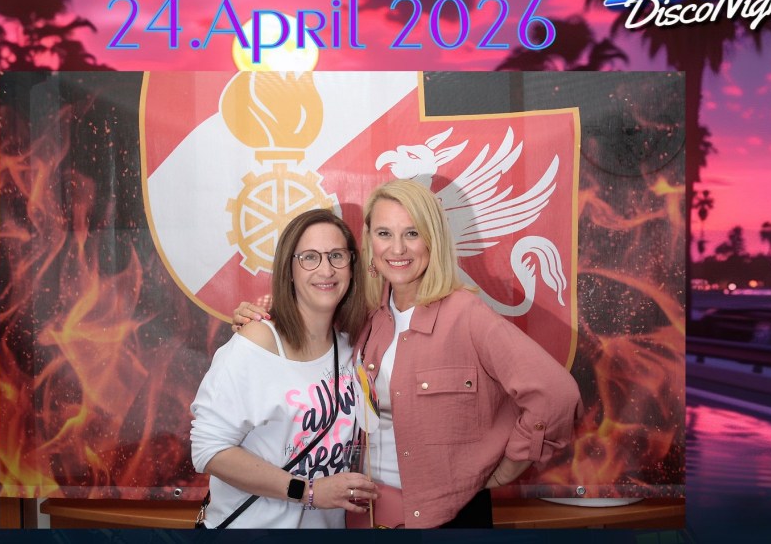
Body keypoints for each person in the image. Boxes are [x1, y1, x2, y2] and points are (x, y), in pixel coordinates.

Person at [235, 179, 582, 528]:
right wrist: (261, 313)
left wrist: (507, 468)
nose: (397, 248)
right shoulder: (366, 315)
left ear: (432, 239)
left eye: (412, 233)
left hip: (448, 519)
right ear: (370, 241)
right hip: (365, 514)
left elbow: (556, 395)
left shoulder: (466, 315)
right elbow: (305, 323)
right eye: (384, 233)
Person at [191, 208, 378, 528]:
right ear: (289, 270)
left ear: (351, 266)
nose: (326, 270)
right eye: (309, 257)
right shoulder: (257, 342)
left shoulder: (352, 345)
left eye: (336, 256)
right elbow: (208, 450)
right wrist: (308, 491)